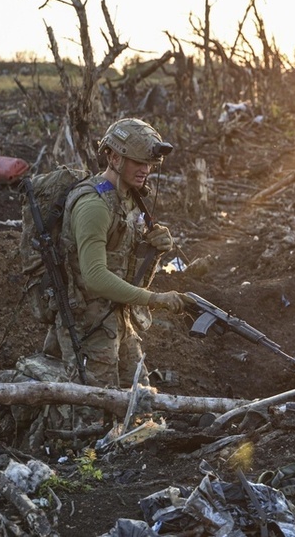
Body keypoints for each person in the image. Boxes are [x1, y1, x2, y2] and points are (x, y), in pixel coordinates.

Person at [43, 117, 192, 389]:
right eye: (137, 162)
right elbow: (95, 277)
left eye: (148, 164)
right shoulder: (94, 205)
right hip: (88, 326)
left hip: (118, 319)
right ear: (113, 157)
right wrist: (155, 299)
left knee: (139, 401)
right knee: (91, 412)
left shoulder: (129, 200)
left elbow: (126, 270)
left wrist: (155, 251)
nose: (145, 170)